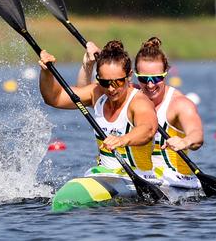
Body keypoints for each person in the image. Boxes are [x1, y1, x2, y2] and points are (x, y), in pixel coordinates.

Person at [78, 37, 204, 189]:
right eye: (144, 79)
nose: (150, 85)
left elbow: (197, 135)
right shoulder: (127, 93)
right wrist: (89, 64)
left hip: (174, 184)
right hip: (137, 178)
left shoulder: (179, 104)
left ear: (166, 73)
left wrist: (185, 141)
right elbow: (85, 97)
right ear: (134, 75)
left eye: (156, 78)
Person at [39, 40, 159, 182]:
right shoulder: (97, 93)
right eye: (105, 82)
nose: (111, 89)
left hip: (141, 178)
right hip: (105, 175)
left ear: (129, 76)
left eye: (118, 82)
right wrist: (46, 72)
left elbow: (148, 129)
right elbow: (54, 98)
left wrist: (122, 140)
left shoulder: (139, 102)